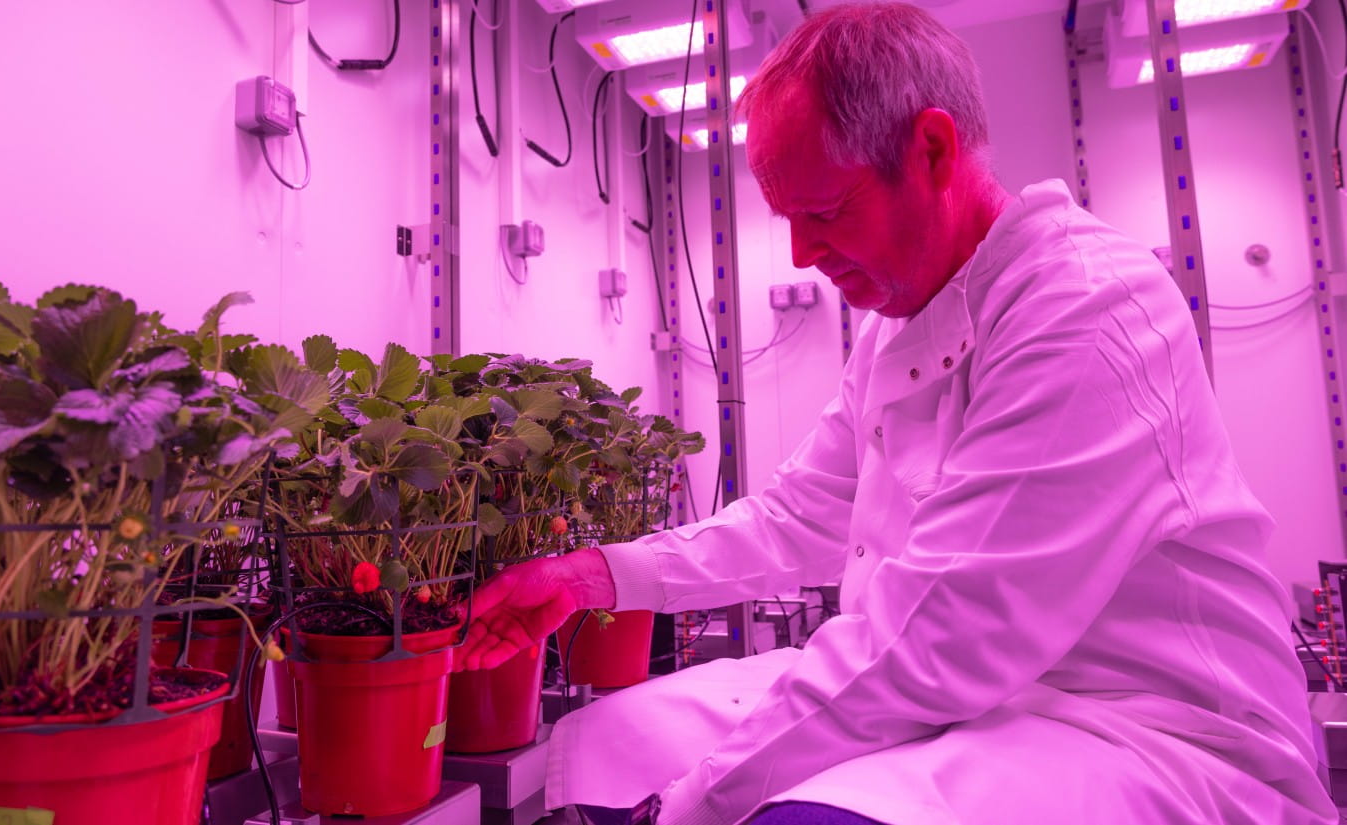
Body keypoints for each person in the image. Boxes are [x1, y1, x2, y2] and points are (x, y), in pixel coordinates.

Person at [456, 3, 1337, 824]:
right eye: (785, 219)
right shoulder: (896, 327)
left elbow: (942, 635)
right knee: (608, 739)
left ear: (934, 151)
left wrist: (689, 805)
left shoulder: (1084, 308)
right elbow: (798, 515)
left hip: (1144, 730)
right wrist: (589, 576)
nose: (802, 255)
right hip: (973, 705)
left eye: (826, 211)